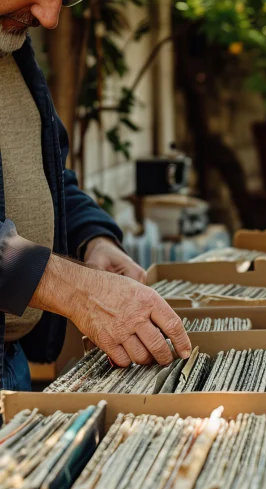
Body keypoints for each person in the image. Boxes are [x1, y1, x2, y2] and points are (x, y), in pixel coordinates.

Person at [0, 0, 191, 391]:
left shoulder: (12, 48)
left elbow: (49, 176)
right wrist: (77, 290)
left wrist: (92, 238)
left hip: (11, 360)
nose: (49, 18)